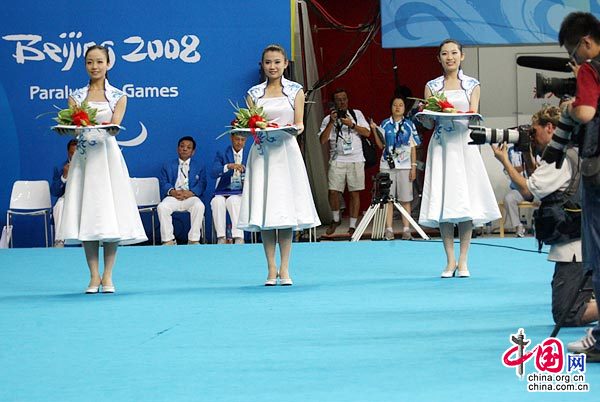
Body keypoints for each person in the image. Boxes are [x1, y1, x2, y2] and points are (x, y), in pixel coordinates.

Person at [493, 106, 598, 328]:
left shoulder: (558, 159)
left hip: (574, 249)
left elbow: (529, 192)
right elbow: (540, 184)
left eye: (534, 131)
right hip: (580, 240)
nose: (533, 137)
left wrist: (504, 160)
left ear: (550, 128)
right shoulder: (571, 152)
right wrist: (526, 152)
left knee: (568, 315)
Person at [56, 45, 147, 294]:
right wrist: (67, 129)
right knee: (87, 214)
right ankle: (93, 276)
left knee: (110, 216)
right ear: (85, 65)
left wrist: (111, 128)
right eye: (89, 62)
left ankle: (108, 276)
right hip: (84, 160)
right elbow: (73, 126)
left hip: (108, 159)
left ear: (109, 64)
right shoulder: (75, 97)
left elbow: (115, 125)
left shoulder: (119, 96)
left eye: (99, 62)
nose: (94, 67)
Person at [238, 44, 320, 286]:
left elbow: (299, 124)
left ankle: (285, 268)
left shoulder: (296, 90)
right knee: (265, 211)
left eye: (277, 62)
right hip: (262, 153)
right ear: (262, 65)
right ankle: (270, 268)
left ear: (285, 64)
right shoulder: (253, 93)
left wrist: (290, 130)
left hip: (286, 153)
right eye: (267, 62)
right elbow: (252, 123)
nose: (272, 66)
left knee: (285, 211)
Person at [418, 39, 501, 278]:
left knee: (465, 203)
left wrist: (460, 114)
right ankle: (449, 260)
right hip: (442, 146)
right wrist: (424, 115)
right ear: (439, 58)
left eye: (454, 53)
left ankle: (464, 260)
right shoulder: (432, 86)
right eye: (444, 54)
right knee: (444, 202)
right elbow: (428, 121)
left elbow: (474, 115)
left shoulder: (472, 85)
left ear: (462, 56)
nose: (449, 57)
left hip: (464, 145)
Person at [552, 11, 600, 362]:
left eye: (574, 51)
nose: (574, 60)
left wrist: (570, 108)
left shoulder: (590, 67)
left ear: (586, 42)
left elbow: (585, 114)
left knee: (597, 255)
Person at [319, 89, 370, 236]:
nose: (342, 102)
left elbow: (367, 133)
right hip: (337, 159)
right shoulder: (328, 119)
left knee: (354, 192)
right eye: (339, 100)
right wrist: (331, 122)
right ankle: (336, 219)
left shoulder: (356, 114)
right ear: (333, 102)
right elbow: (322, 140)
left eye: (344, 99)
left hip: (356, 158)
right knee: (333, 191)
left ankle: (353, 225)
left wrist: (352, 125)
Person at [370, 95, 420, 240]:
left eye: (401, 105)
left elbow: (413, 147)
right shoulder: (385, 124)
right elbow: (381, 146)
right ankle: (389, 229)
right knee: (388, 199)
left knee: (406, 199)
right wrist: (374, 130)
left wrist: (414, 167)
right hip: (387, 165)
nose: (397, 107)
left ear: (404, 108)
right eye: (395, 105)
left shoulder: (410, 125)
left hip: (405, 166)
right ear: (391, 107)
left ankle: (406, 229)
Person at [157, 136, 207, 245]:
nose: (184, 149)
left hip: (190, 196)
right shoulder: (167, 165)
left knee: (199, 206)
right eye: (182, 146)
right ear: (177, 149)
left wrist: (191, 192)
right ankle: (168, 240)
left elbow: (202, 183)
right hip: (174, 196)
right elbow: (163, 182)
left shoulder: (199, 166)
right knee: (162, 207)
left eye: (188, 147)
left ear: (193, 152)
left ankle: (193, 240)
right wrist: (172, 191)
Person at [210, 133, 248, 244]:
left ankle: (238, 237)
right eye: (237, 139)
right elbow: (213, 172)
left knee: (233, 201)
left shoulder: (249, 154)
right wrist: (228, 166)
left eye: (242, 140)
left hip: (241, 193)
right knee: (216, 202)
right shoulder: (222, 154)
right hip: (223, 191)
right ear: (231, 138)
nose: (239, 142)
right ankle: (221, 237)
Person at [50, 139, 77, 247]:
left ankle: (91, 241)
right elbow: (55, 192)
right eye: (71, 153)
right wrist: (64, 177)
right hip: (68, 198)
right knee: (60, 204)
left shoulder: (89, 166)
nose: (74, 156)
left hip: (85, 198)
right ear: (68, 152)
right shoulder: (61, 167)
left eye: (77, 153)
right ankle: (59, 241)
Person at [502, 146, 530, 237]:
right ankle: (518, 226)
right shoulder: (510, 151)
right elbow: (507, 170)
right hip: (519, 189)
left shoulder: (535, 147)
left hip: (537, 187)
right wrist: (522, 167)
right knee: (508, 199)